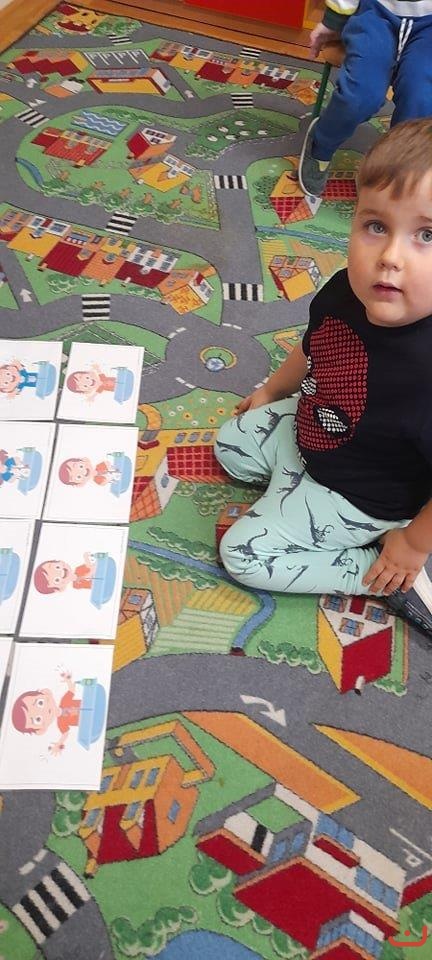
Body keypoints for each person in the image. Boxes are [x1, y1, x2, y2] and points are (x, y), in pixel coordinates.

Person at [215, 119, 432, 637]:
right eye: (376, 226)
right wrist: (273, 390)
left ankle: (383, 575)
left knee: (244, 555)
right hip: (316, 434)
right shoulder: (344, 289)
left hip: (364, 497)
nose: (390, 258)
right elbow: (316, 346)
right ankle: (292, 490)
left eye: (427, 235)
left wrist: (412, 545)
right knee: (231, 444)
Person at [298, 0, 432, 197]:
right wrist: (333, 20)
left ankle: (399, 167)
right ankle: (322, 143)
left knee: (420, 100)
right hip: (376, 13)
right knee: (361, 95)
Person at [11, 672, 81, 756]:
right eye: (38, 719)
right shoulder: (61, 723)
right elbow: (65, 733)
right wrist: (59, 743)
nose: (44, 711)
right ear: (41, 730)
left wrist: (68, 680)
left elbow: (72, 690)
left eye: (40, 703)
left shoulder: (65, 700)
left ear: (47, 693)